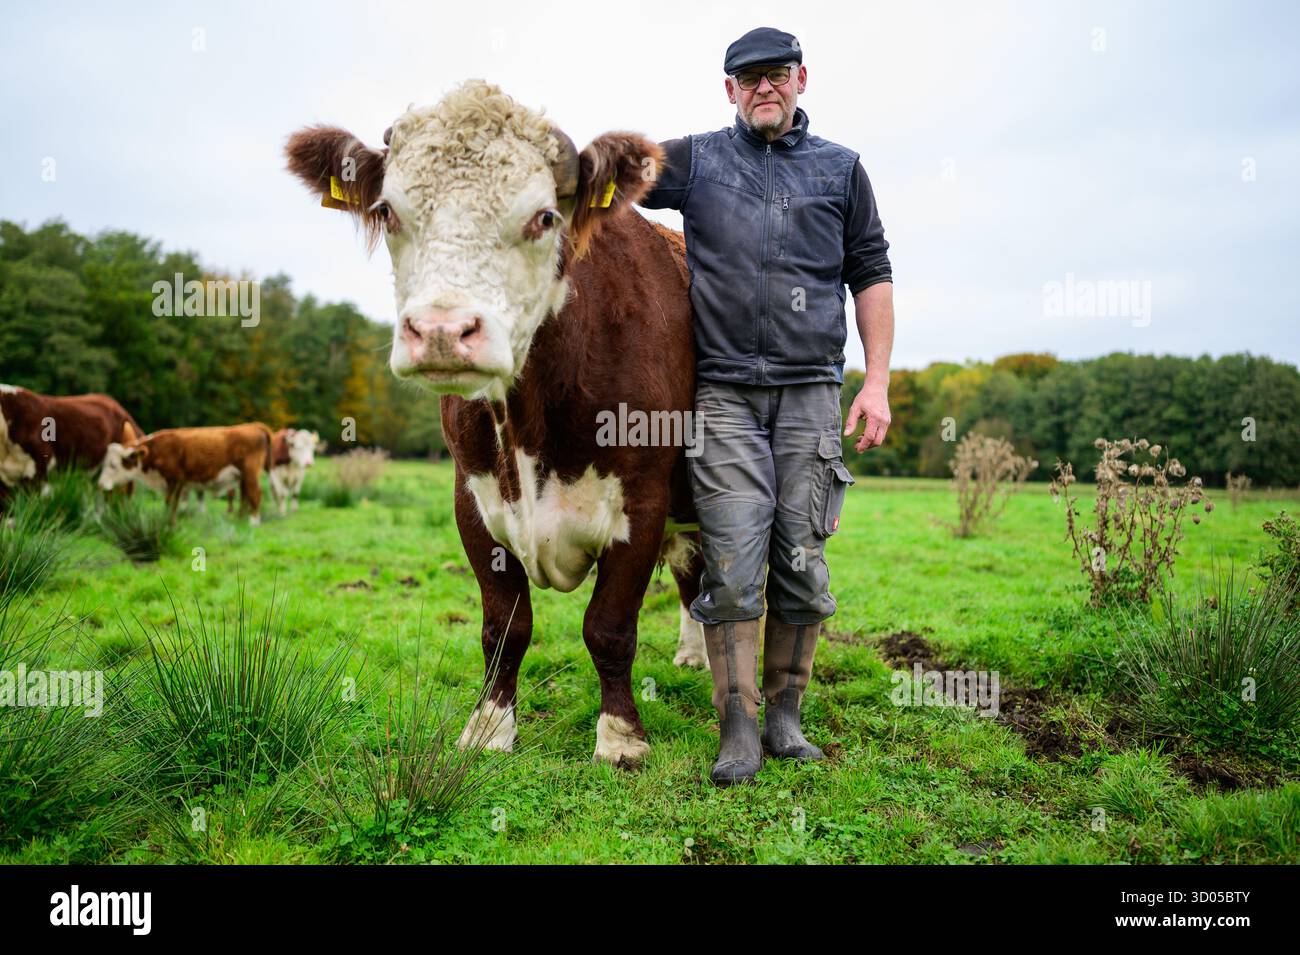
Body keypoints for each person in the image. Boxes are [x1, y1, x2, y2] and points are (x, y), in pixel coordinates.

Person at [637, 26, 895, 785]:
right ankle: (739, 727)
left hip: (812, 390)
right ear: (729, 91)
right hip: (721, 395)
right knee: (731, 561)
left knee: (802, 561)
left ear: (801, 79)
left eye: (776, 74)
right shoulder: (696, 161)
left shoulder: (842, 170)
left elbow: (872, 270)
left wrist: (874, 379)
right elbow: (607, 181)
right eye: (748, 78)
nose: (763, 88)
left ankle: (786, 714)